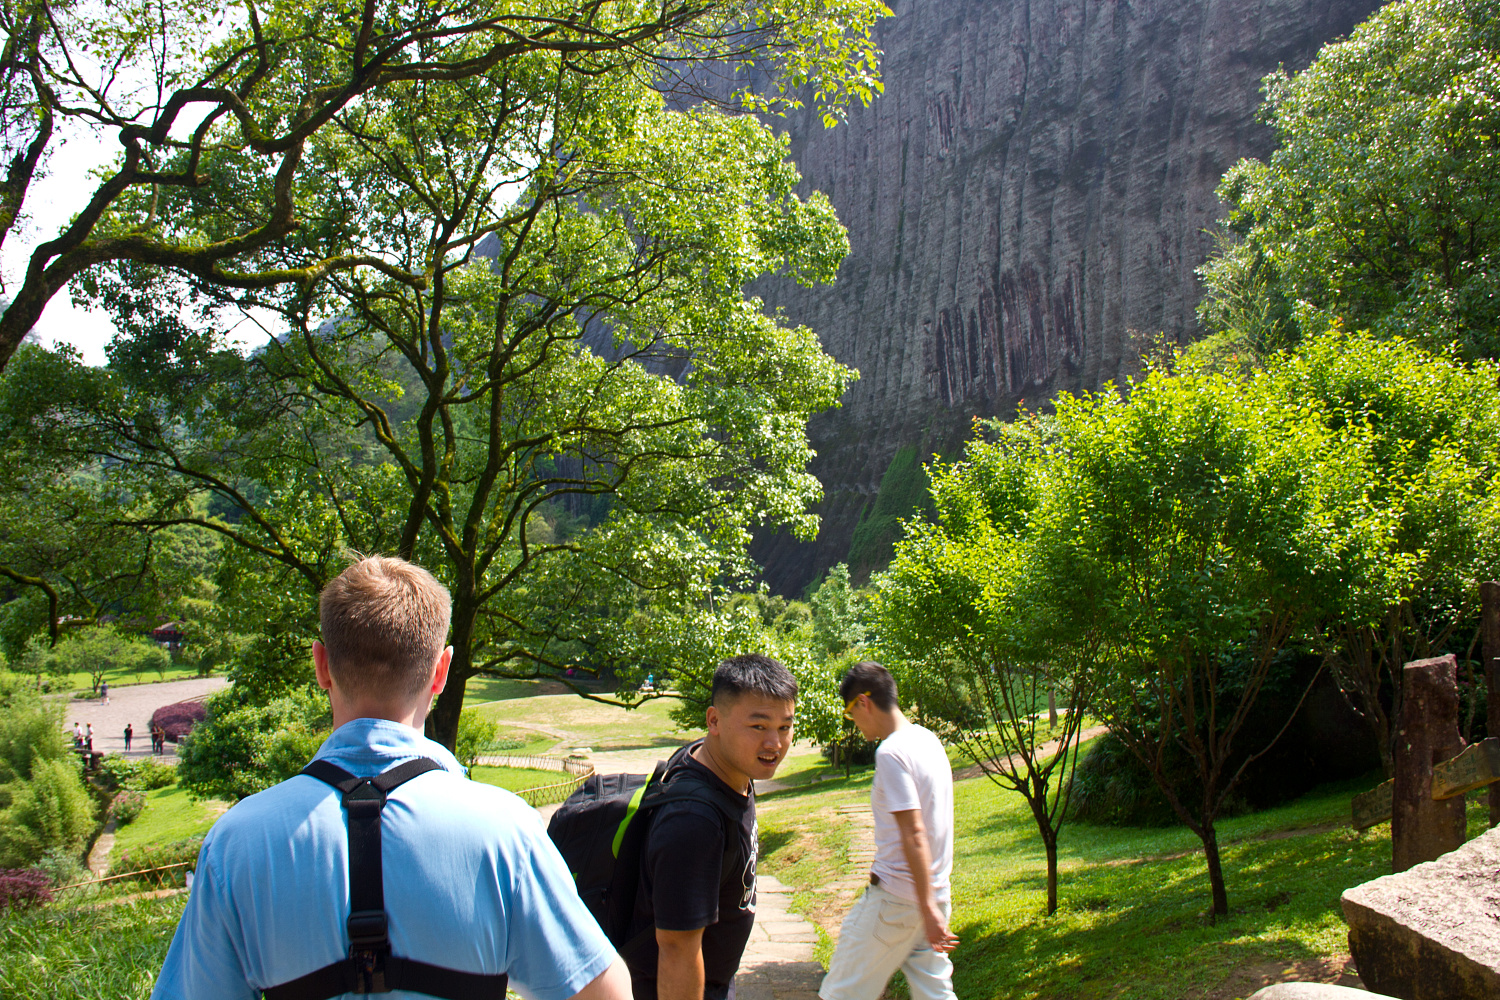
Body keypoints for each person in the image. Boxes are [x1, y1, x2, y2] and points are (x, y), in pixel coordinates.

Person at [151, 555, 630, 1000]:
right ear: (441, 672)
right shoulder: (506, 832)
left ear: (322, 665)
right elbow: (604, 994)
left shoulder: (236, 844)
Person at [625, 653, 797, 1000]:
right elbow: (676, 949)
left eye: (785, 726)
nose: (774, 744)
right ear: (714, 720)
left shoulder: (725, 769)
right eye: (758, 726)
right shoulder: (693, 822)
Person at [819, 661, 958, 1000]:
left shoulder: (891, 752)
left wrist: (924, 907)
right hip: (936, 896)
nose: (852, 720)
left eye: (850, 711)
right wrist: (930, 906)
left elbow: (914, 832)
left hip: (896, 902)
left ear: (863, 702)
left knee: (840, 993)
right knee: (934, 994)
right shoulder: (927, 740)